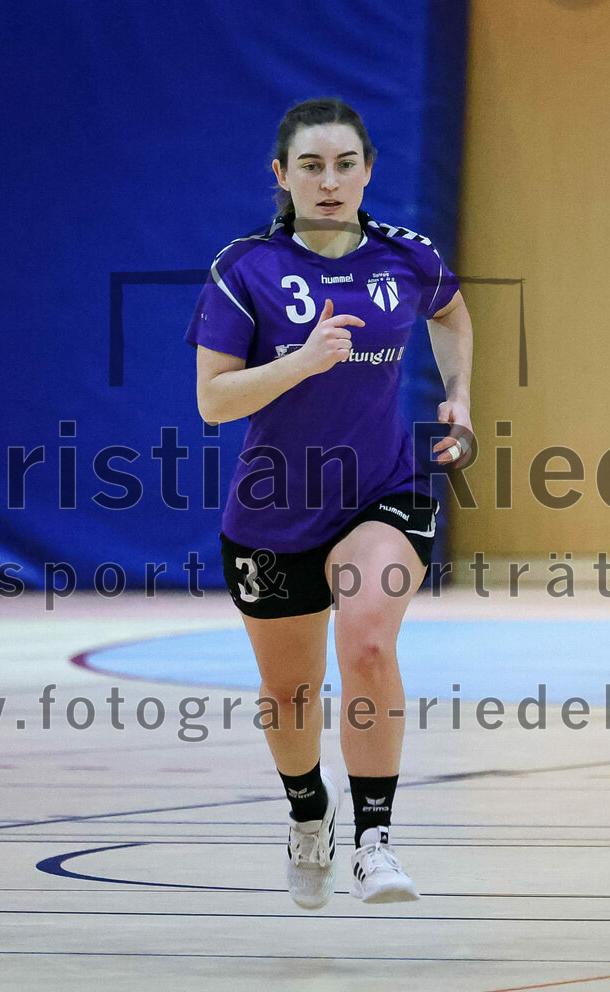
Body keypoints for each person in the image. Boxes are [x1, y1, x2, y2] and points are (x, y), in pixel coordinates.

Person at [185, 97, 473, 909]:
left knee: (370, 645)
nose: (329, 180)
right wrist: (299, 363)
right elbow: (213, 401)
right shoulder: (244, 271)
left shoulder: (405, 257)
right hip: (274, 513)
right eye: (310, 165)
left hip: (385, 487)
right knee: (290, 695)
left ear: (367, 170)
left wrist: (459, 395)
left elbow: (450, 311)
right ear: (281, 176)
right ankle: (308, 810)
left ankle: (374, 842)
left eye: (344, 163)